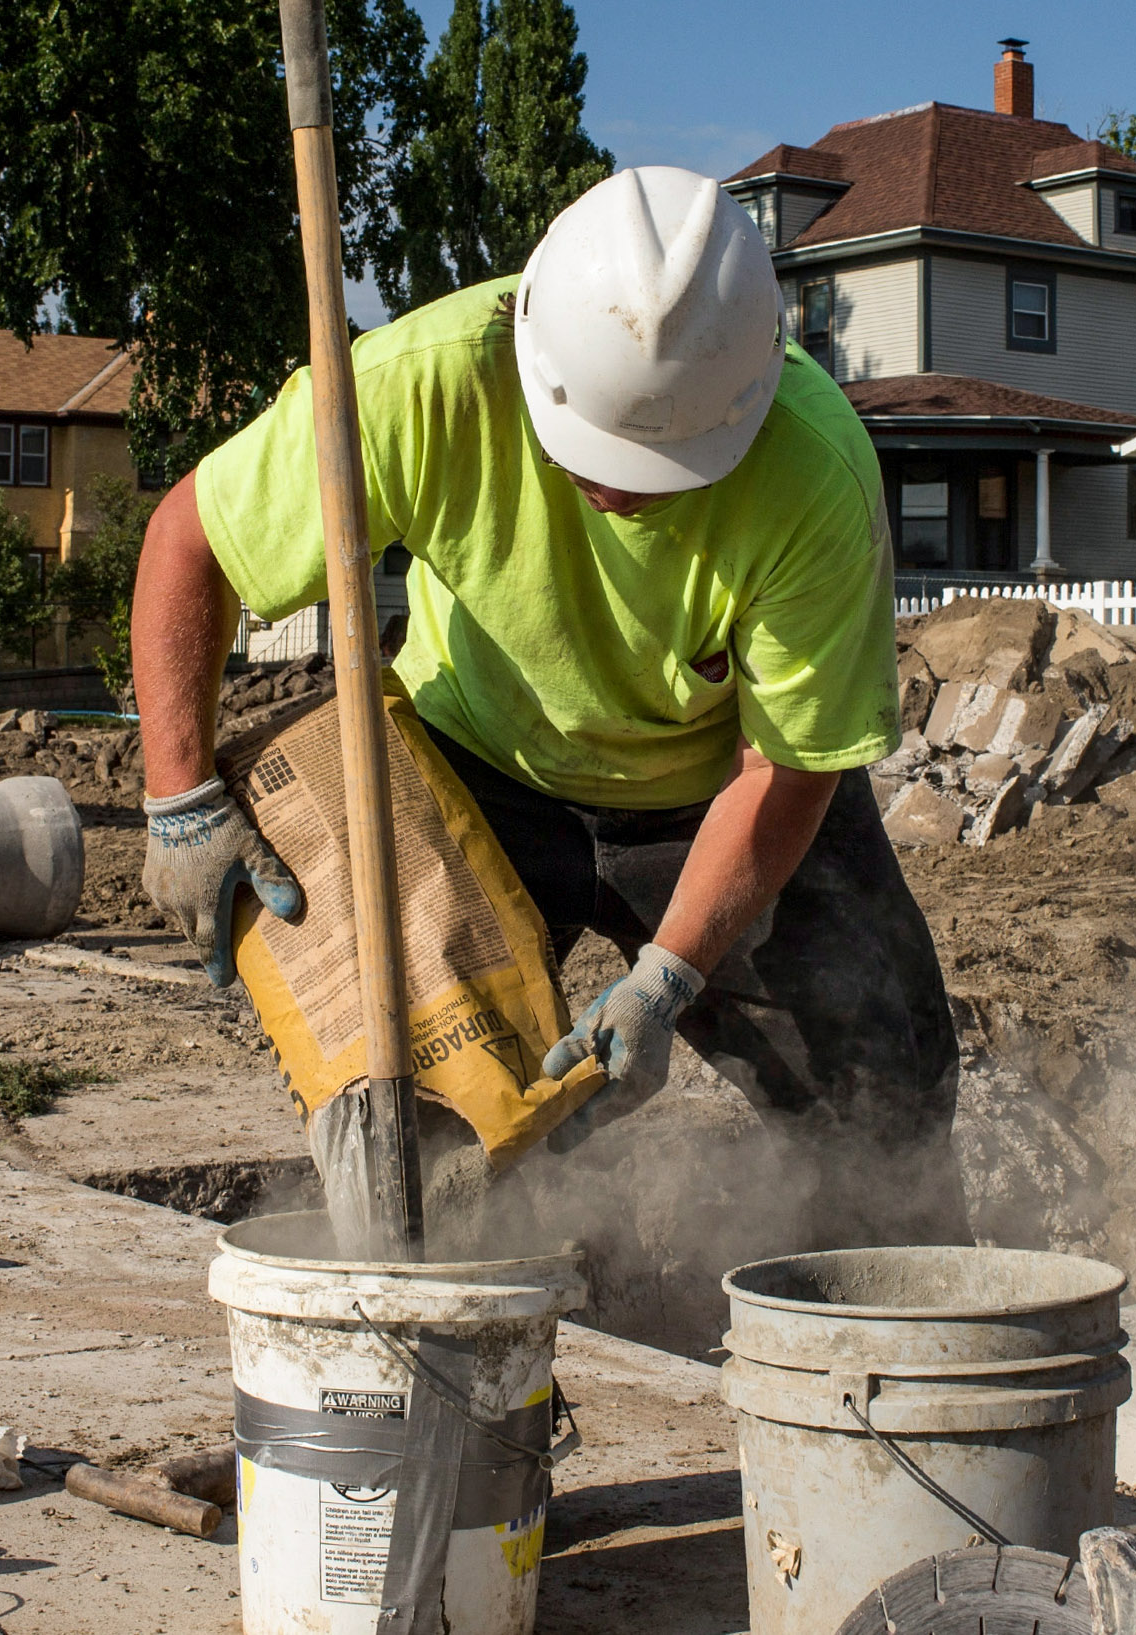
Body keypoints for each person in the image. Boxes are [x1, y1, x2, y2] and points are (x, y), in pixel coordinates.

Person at [130, 166, 962, 1245]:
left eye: (663, 469)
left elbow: (787, 769)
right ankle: (454, 1340)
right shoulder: (417, 384)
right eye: (599, 456)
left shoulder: (815, 476)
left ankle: (905, 1342)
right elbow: (188, 542)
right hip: (474, 766)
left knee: (879, 1085)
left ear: (743, 410)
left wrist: (668, 975)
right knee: (414, 1108)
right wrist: (179, 796)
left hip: (717, 791)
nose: (618, 489)